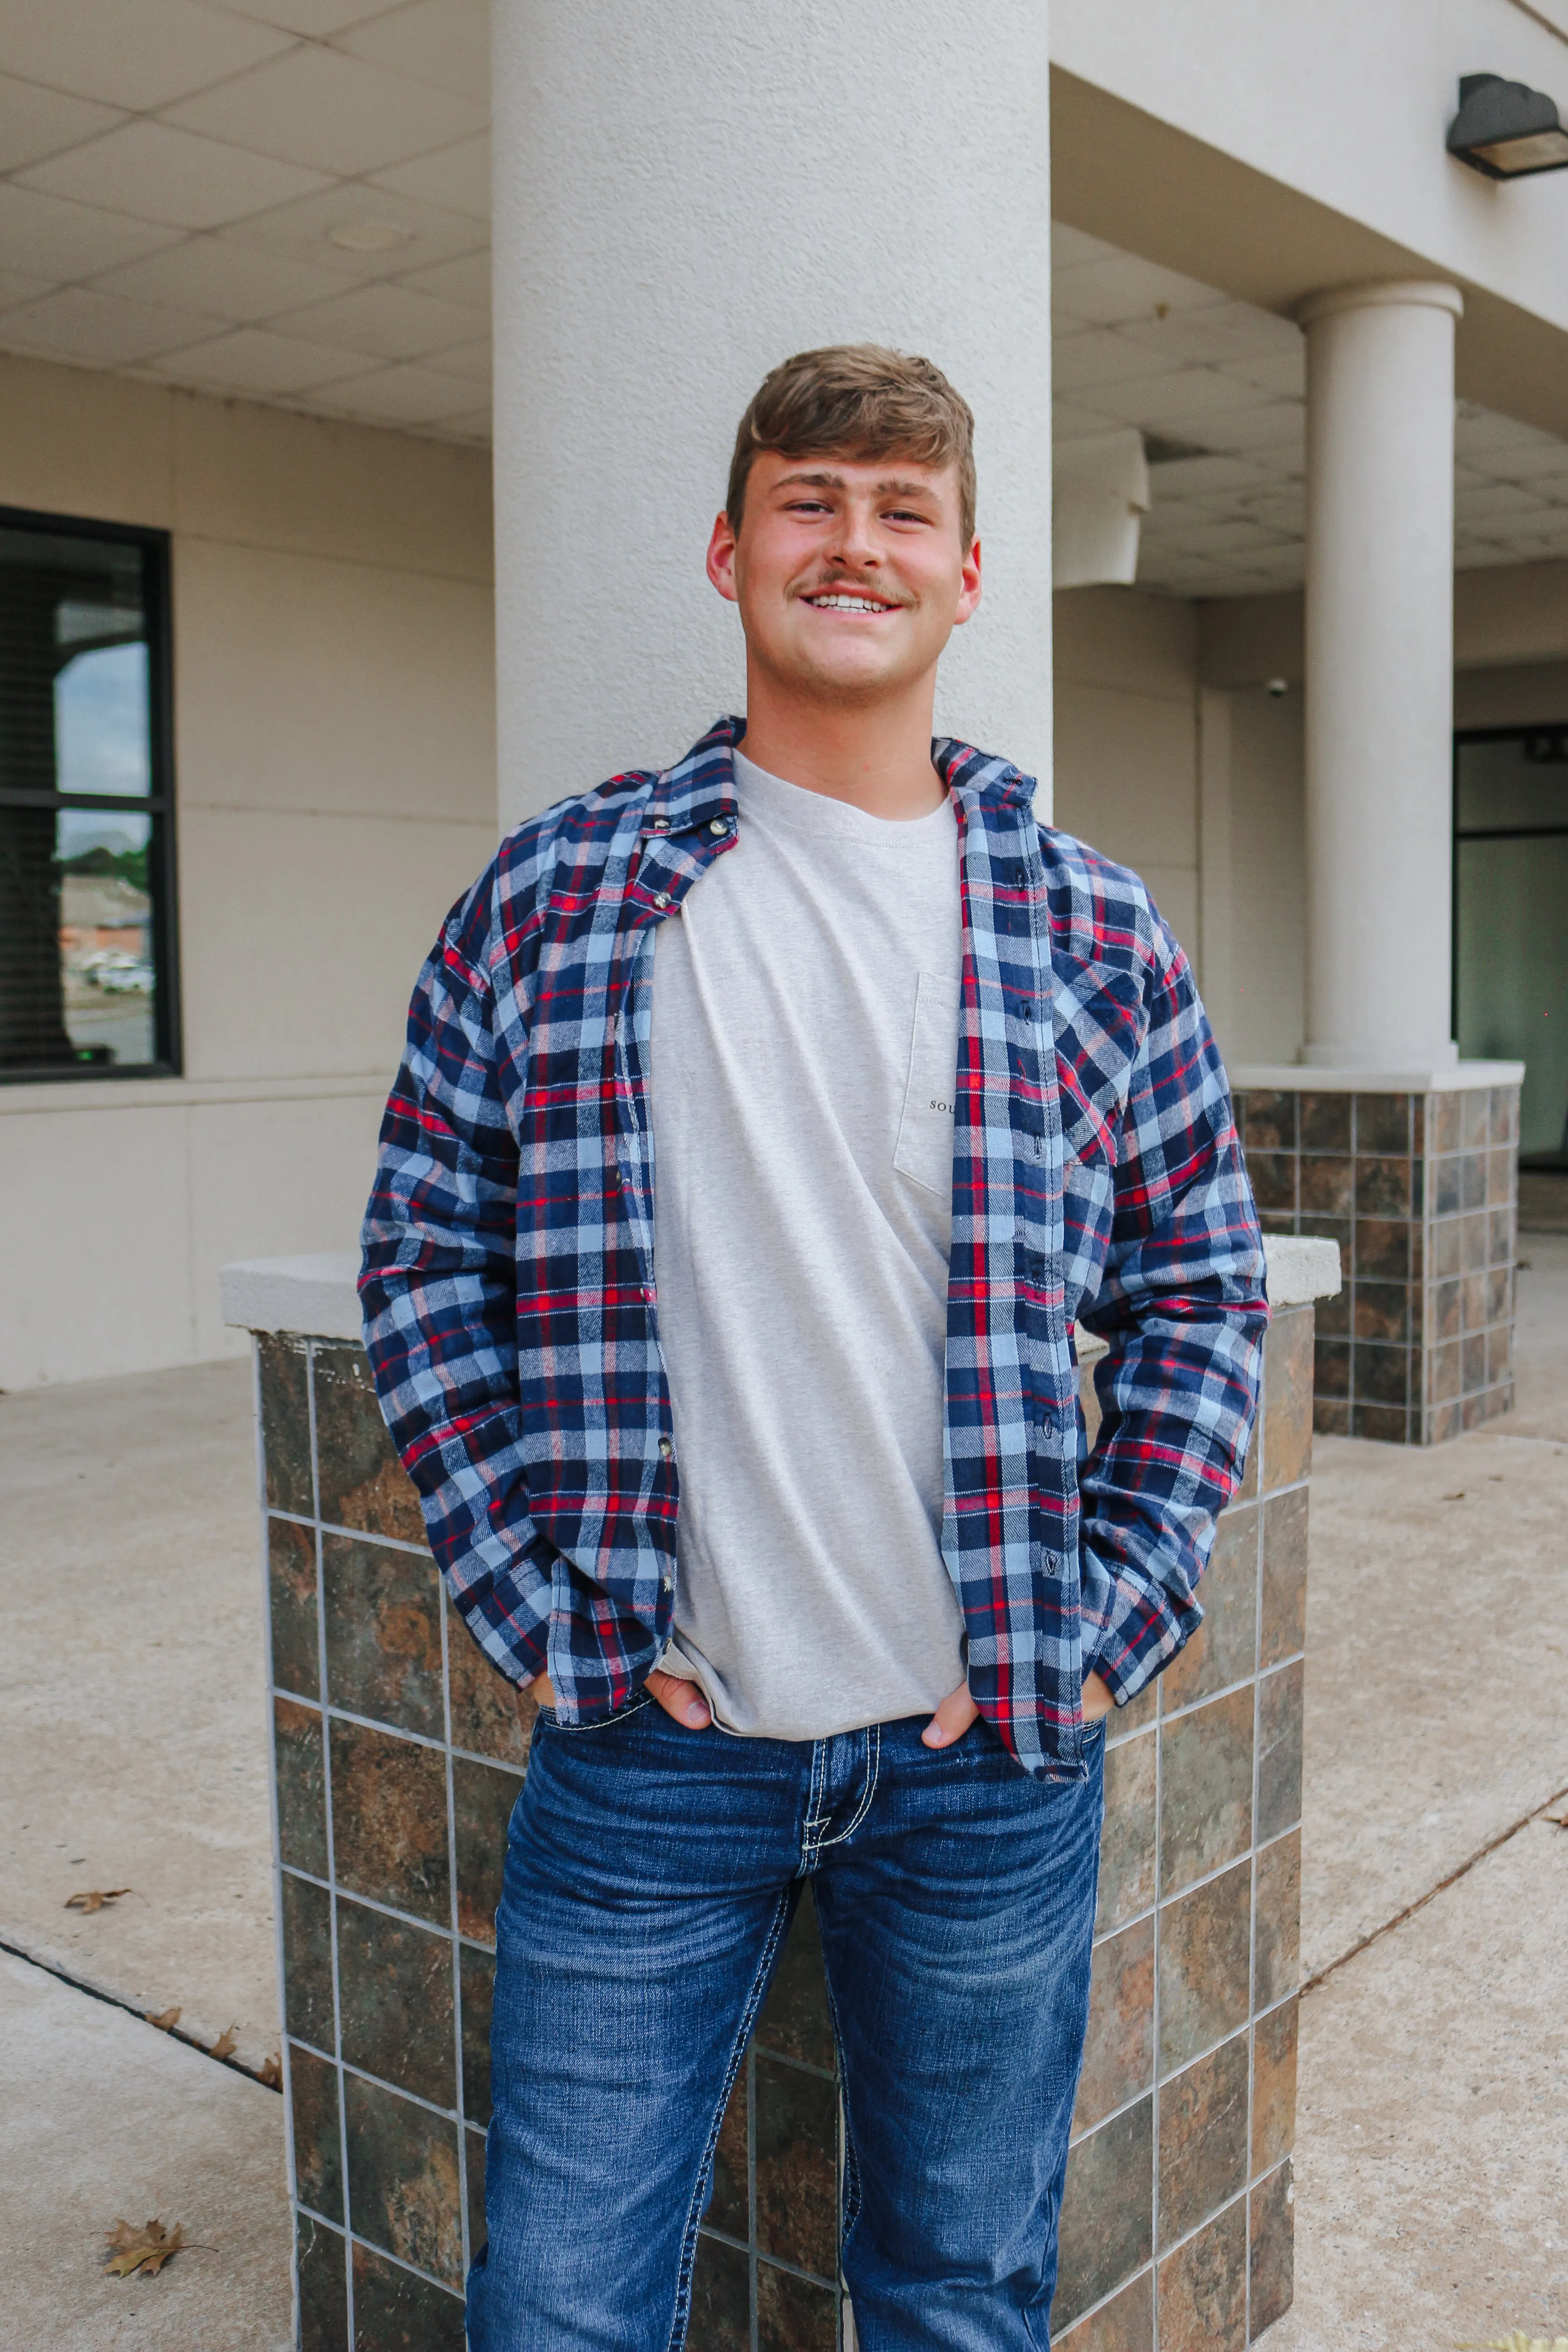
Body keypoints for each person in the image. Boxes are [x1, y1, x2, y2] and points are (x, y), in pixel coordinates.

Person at [360, 343, 1267, 2350]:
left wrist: (1107, 1618)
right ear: (729, 549)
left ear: (964, 579)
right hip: (646, 1751)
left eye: (901, 510)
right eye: (810, 500)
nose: (854, 543)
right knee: (559, 2307)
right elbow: (423, 1253)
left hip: (989, 1761)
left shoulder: (1094, 929)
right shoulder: (561, 894)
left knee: (955, 2295)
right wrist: (538, 1608)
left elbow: (1202, 1285)